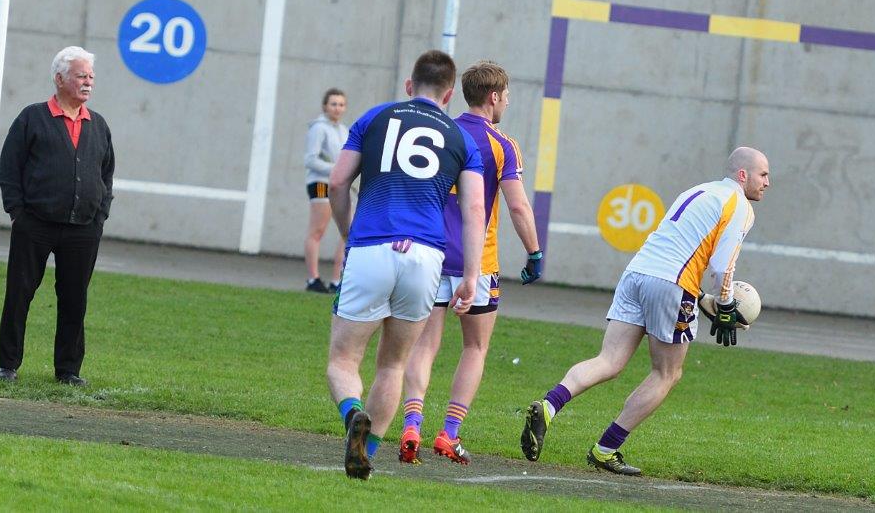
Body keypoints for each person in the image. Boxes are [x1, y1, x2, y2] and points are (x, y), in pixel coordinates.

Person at [520, 147, 770, 475]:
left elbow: (678, 253)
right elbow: (723, 267)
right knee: (667, 373)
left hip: (637, 273)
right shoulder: (739, 205)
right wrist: (724, 304)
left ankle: (550, 405)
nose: (768, 182)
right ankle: (605, 449)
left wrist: (704, 300)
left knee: (608, 361)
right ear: (743, 175)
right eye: (763, 174)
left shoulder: (698, 191)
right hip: (672, 283)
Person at [326, 50, 486, 480]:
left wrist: (347, 232)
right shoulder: (461, 139)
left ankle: (353, 414)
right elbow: (474, 209)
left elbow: (338, 182)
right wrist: (471, 275)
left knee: (343, 360)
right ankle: (367, 454)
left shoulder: (374, 118)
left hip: (372, 246)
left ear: (409, 85)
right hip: (427, 258)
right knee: (393, 365)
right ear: (450, 94)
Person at [399, 61, 543, 465]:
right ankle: (449, 433)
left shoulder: (440, 133)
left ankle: (412, 423)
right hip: (477, 260)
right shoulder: (502, 144)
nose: (507, 103)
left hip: (429, 253)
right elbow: (517, 205)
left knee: (424, 344)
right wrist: (534, 251)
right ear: (494, 96)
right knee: (475, 347)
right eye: (507, 96)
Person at [0, 46, 115, 387]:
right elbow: (10, 168)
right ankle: (8, 364)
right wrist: (18, 212)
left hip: (83, 229)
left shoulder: (99, 125)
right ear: (60, 78)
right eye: (81, 75)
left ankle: (68, 370)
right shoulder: (32, 118)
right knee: (20, 294)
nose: (88, 82)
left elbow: (107, 174)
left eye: (91, 76)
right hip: (35, 224)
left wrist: (99, 216)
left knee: (75, 299)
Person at [303, 88, 349, 293]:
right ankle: (313, 279)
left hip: (340, 184)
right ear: (325, 106)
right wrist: (337, 169)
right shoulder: (318, 128)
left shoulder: (344, 130)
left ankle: (337, 279)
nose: (337, 108)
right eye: (333, 104)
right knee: (318, 230)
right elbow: (310, 160)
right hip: (321, 183)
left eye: (341, 104)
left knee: (346, 230)